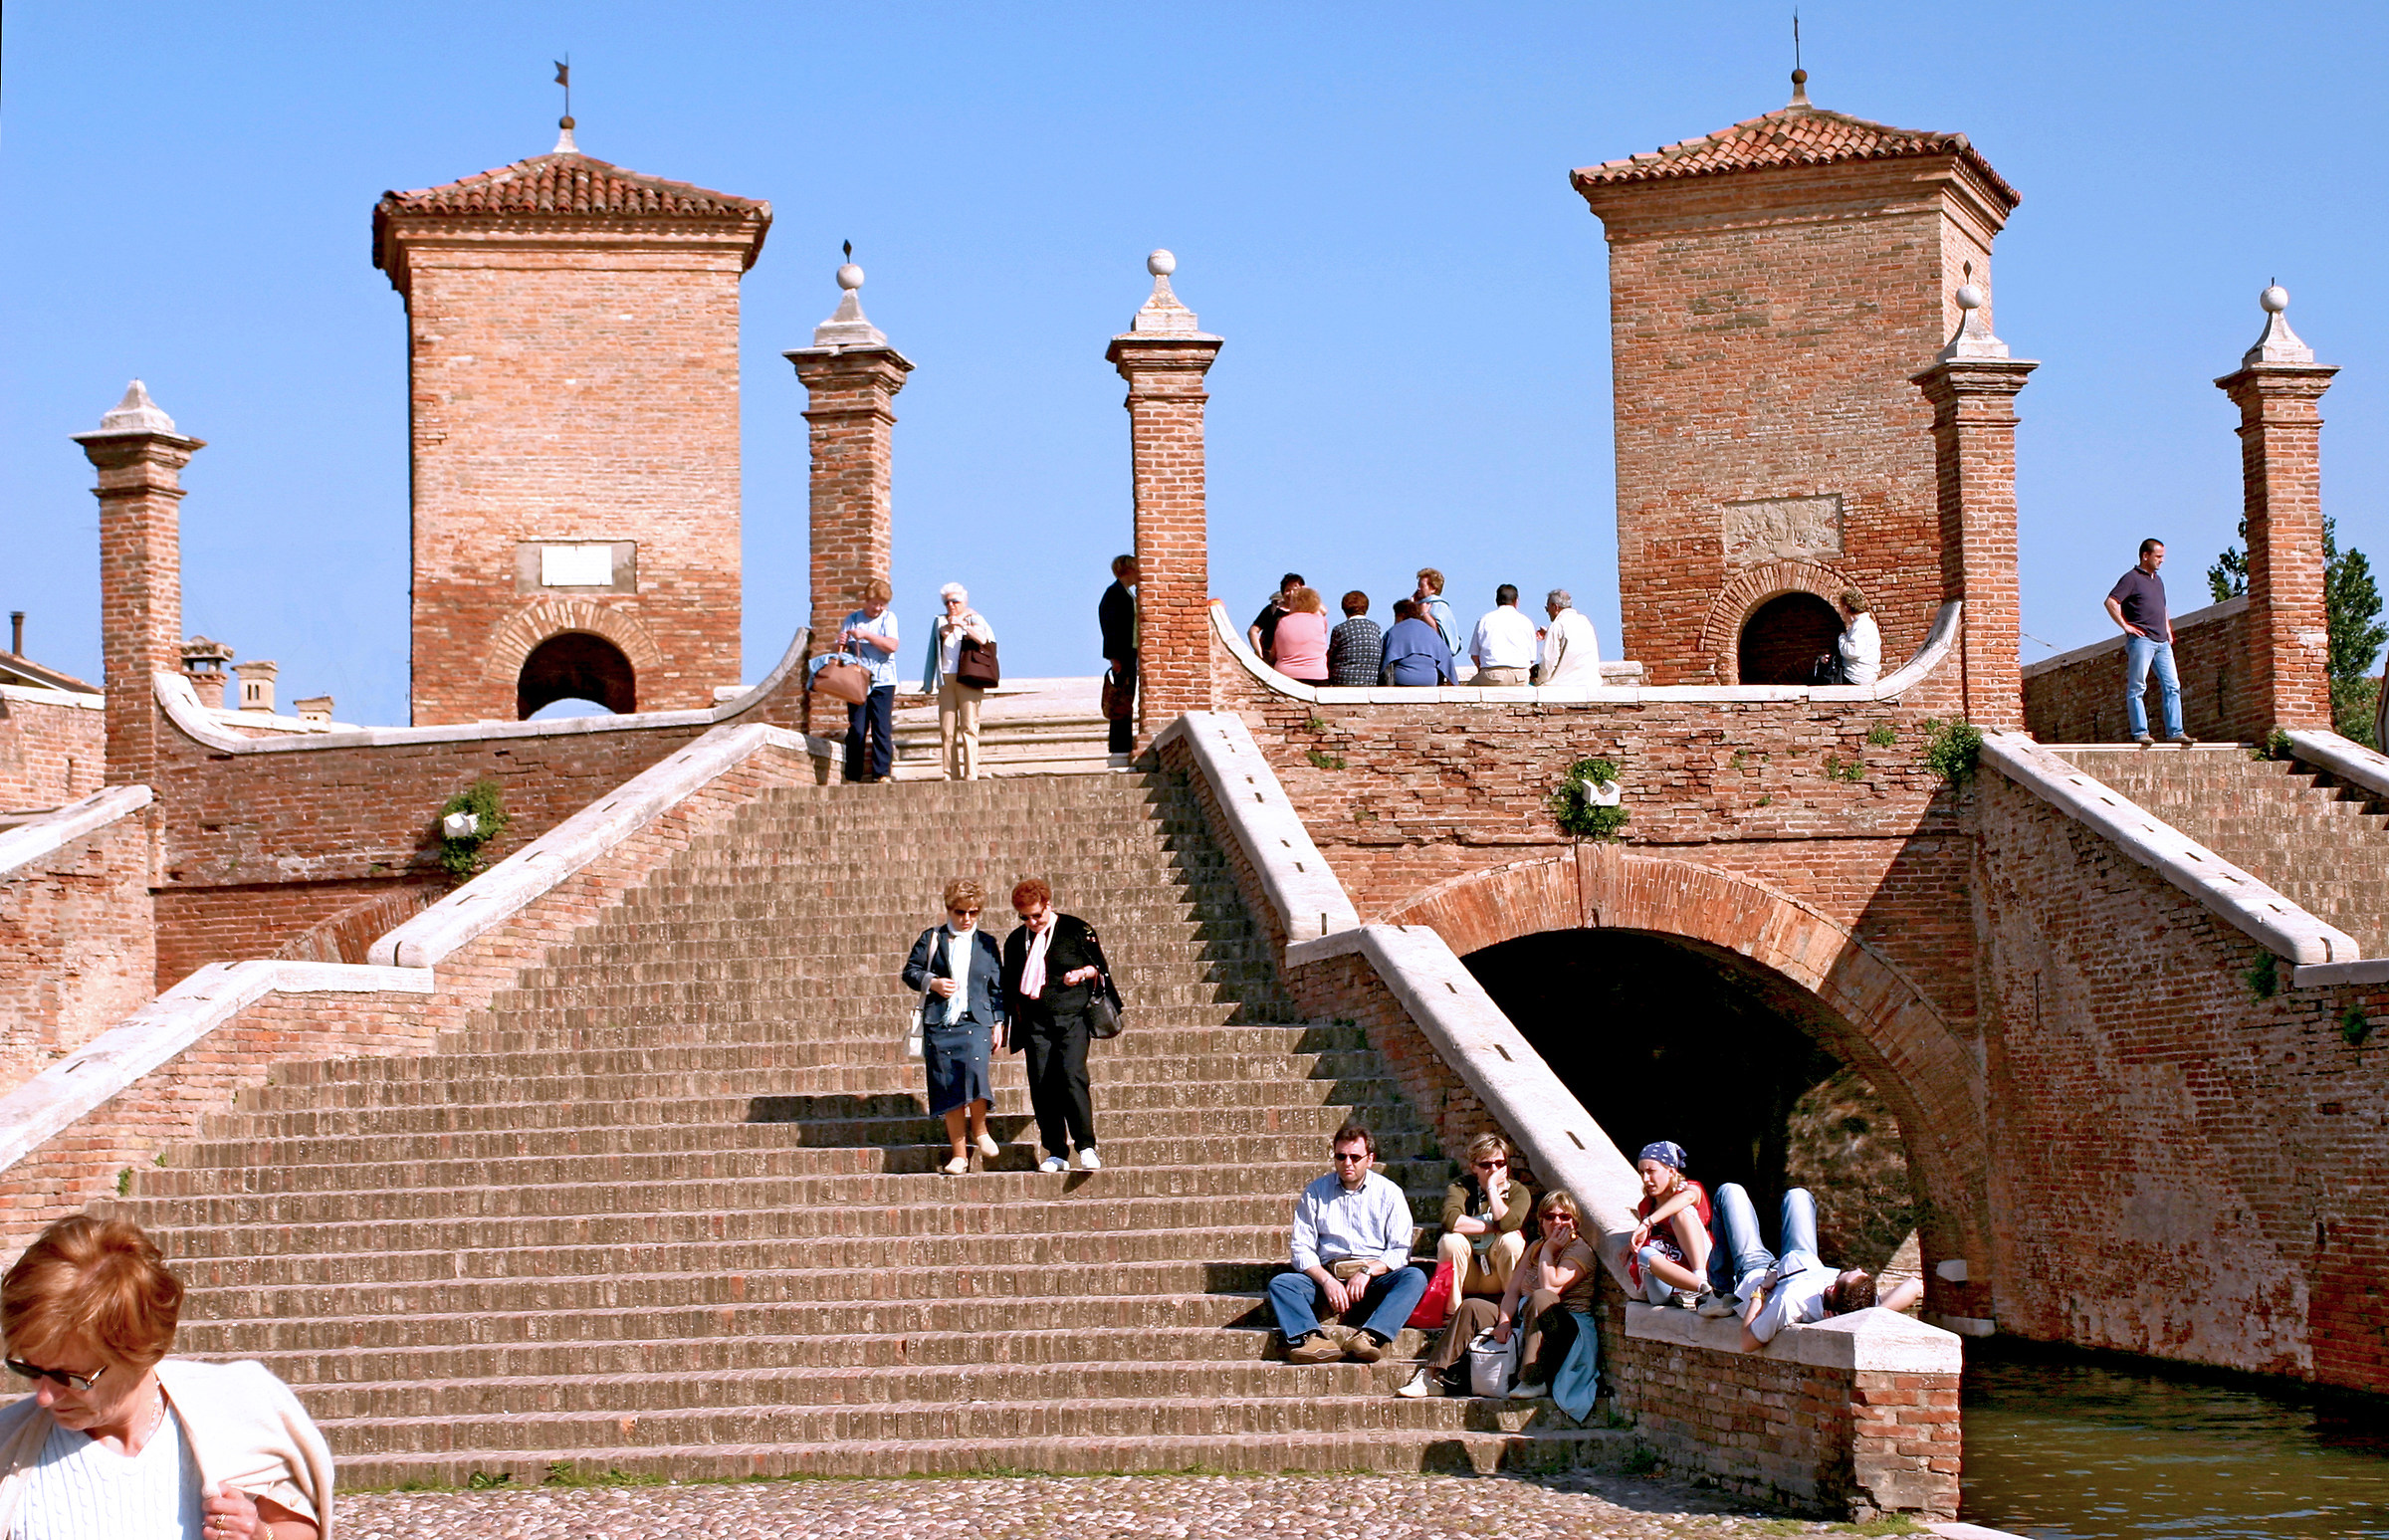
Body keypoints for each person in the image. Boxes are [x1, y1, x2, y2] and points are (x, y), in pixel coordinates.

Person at [0, 1213, 333, 1539]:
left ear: (139, 1352)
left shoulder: (239, 1414)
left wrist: (261, 1534)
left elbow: (301, 1527)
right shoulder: (8, 1449)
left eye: (70, 1378)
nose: (44, 1396)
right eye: (30, 1368)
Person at [1402, 1189, 1594, 1399]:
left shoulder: (1579, 1249)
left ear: (1574, 1222)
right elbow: (1512, 1290)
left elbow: (1550, 1288)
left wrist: (1549, 1250)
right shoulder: (1535, 1247)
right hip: (1526, 1315)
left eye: (1564, 1217)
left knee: (1541, 1297)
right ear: (1541, 1221)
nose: (1557, 1222)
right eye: (1550, 1216)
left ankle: (1532, 1379)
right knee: (1473, 1306)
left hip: (1565, 1323)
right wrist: (1504, 1321)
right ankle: (1431, 1376)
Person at [1695, 1184, 1925, 1351]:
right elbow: (1914, 1285)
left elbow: (1748, 1342)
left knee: (1729, 1192)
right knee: (1799, 1196)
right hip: (1802, 1259)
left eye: (1847, 1274)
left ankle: (1722, 1291)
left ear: (1832, 1289)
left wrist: (1761, 1292)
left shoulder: (1790, 1302)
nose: (1857, 1268)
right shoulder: (1856, 1300)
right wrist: (1864, 1316)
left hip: (1756, 1270)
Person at [1270, 1122, 1427, 1366]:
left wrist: (1367, 1272)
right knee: (1282, 1284)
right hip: (1328, 1278)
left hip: (1373, 1279)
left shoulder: (1390, 1193)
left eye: (1355, 1157)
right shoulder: (1315, 1192)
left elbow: (1399, 1250)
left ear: (1370, 1159)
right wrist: (1327, 1280)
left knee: (1414, 1277)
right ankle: (1312, 1339)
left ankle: (1368, 1337)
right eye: (1340, 1156)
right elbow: (1301, 1248)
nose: (1347, 1163)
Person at [1000, 879, 1109, 1172]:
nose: (1032, 922)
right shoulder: (1015, 940)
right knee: (1042, 1084)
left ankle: (1085, 1145)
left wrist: (1082, 973)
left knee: (1072, 1076)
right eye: (1025, 917)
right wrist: (1002, 1023)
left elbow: (1100, 968)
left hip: (1072, 1017)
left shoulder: (1076, 930)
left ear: (1048, 905)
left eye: (1037, 915)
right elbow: (1008, 984)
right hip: (1035, 1022)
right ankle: (1056, 1150)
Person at [901, 879, 1007, 1176]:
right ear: (949, 909)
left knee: (975, 1073)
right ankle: (959, 1155)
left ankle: (981, 1129)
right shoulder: (932, 938)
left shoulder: (987, 943)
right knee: (948, 1088)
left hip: (977, 1020)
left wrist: (999, 1021)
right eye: (960, 912)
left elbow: (998, 987)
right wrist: (932, 982)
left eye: (973, 912)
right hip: (941, 1022)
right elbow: (910, 972)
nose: (967, 918)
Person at [2104, 539, 2194, 747]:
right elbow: (2111, 601)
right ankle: (2141, 732)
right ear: (2146, 556)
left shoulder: (2158, 580)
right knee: (2137, 687)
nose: (2162, 561)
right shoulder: (2131, 579)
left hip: (2162, 642)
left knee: (2173, 686)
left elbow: (2162, 607)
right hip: (2142, 641)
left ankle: (2175, 731)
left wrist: (2168, 629)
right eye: (2159, 556)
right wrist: (2126, 626)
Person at [1435, 1133, 1534, 1305]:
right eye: (1486, 1164)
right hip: (1469, 1270)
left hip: (1498, 1272)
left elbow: (1508, 1223)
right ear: (1474, 1167)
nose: (1494, 1170)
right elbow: (1451, 1220)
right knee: (1450, 1241)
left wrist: (1492, 1189)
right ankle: (1452, 1311)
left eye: (1500, 1163)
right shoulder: (1461, 1187)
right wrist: (1495, 1227)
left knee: (1511, 1241)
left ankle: (1513, 1309)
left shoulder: (1518, 1191)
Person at [919, 583, 996, 782]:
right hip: (947, 678)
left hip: (968, 676)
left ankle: (971, 773)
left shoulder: (975, 619)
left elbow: (983, 639)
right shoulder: (940, 622)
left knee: (969, 726)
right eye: (947, 602)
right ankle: (949, 773)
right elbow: (932, 652)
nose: (951, 605)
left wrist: (963, 625)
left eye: (955, 601)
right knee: (947, 728)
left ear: (964, 601)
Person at [1625, 1141, 1711, 1308]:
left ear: (1671, 1171)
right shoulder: (1646, 1206)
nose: (1645, 1179)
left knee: (1682, 1212)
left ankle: (1700, 1281)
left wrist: (1647, 1223)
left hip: (1701, 1264)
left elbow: (1688, 1199)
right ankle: (1698, 1288)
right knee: (1645, 1253)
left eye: (1651, 1172)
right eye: (1642, 1172)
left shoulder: (1690, 1188)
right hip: (1666, 1283)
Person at [838, 578, 902, 783]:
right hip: (857, 679)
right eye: (875, 603)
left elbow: (892, 645)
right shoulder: (853, 619)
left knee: (881, 727)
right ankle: (852, 774)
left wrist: (866, 635)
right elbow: (838, 651)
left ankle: (882, 772)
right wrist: (840, 642)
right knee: (857, 727)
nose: (878, 607)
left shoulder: (889, 618)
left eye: (882, 603)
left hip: (883, 680)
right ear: (867, 600)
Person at [1099, 554, 1139, 757]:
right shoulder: (1114, 594)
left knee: (1127, 697)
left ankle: (1124, 743)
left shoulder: (1126, 594)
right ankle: (1119, 746)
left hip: (1131, 651)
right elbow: (1109, 627)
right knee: (1122, 699)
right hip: (1123, 654)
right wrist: (1113, 657)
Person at [1468, 584, 1538, 686]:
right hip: (1520, 677)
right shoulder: (1527, 622)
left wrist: (1482, 669)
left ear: (1496, 600)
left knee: (1468, 692)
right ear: (1516, 602)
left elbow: (1474, 655)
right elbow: (1531, 659)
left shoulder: (1485, 620)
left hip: (1492, 675)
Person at [1380, 598, 1456, 687]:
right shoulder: (1431, 632)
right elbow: (1446, 659)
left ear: (1400, 615)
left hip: (1403, 680)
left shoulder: (1393, 632)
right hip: (1430, 681)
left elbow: (1384, 661)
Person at [1539, 589, 1603, 688]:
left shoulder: (1557, 625)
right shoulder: (1585, 621)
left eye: (1547, 609)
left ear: (1555, 607)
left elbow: (1549, 663)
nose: (1548, 612)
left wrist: (1539, 680)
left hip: (1564, 685)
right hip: (1591, 683)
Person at [1269, 587, 1332, 687]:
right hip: (1317, 675)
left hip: (1285, 675)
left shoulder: (1283, 622)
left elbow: (1274, 653)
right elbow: (1323, 611)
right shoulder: (1321, 620)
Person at [1326, 592, 1384, 689]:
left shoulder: (1340, 629)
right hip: (1370, 681)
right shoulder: (1375, 628)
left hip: (1344, 681)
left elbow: (1331, 657)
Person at [1247, 573, 1304, 661]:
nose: (1291, 594)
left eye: (1295, 590)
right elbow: (1253, 631)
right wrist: (1259, 652)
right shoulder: (1272, 610)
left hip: (1294, 661)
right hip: (1270, 660)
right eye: (1288, 590)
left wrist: (1307, 593)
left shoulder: (1306, 612)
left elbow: (1323, 611)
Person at [1413, 568, 1465, 660]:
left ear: (1433, 589)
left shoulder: (1440, 607)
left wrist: (1424, 614)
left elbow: (1439, 633)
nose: (1418, 589)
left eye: (1422, 586)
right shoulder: (1419, 605)